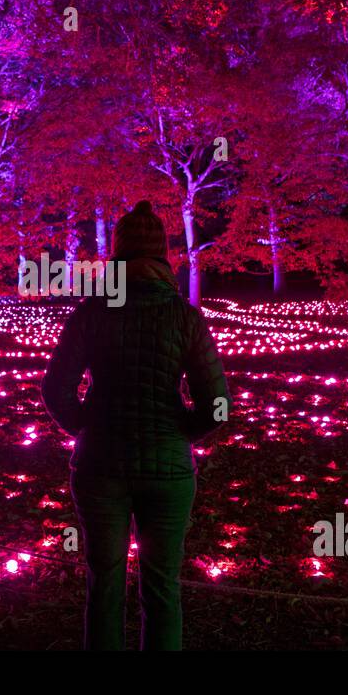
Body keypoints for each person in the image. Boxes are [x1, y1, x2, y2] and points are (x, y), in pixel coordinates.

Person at [42, 200, 229, 650]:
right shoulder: (185, 317)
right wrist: (181, 429)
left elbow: (55, 389)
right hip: (168, 470)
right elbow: (218, 404)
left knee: (103, 585)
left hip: (100, 464)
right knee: (163, 589)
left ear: (118, 257)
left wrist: (86, 426)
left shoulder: (91, 313)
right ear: (163, 257)